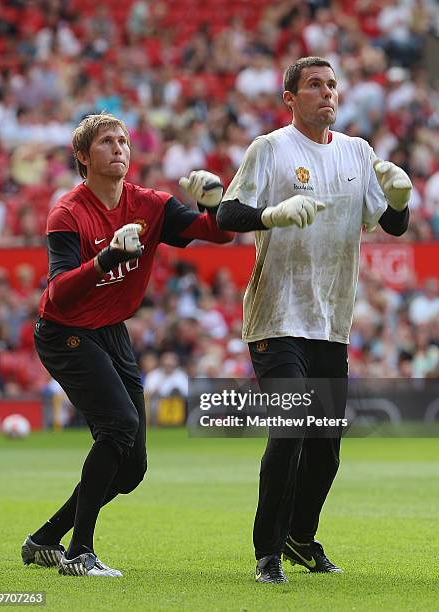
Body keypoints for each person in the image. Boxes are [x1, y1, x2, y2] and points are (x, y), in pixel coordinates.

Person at [217, 56, 411, 584]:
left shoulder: (358, 152)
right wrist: (270, 215)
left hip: (331, 322)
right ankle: (268, 552)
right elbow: (227, 213)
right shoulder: (270, 149)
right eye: (314, 85)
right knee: (289, 430)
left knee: (325, 451)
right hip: (276, 316)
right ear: (290, 98)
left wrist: (399, 199)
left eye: (332, 85)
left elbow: (391, 224)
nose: (327, 93)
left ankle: (302, 537)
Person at [21, 112, 233, 577]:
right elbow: (58, 291)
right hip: (64, 332)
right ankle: (80, 552)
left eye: (123, 141)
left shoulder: (150, 204)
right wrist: (107, 258)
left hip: (111, 331)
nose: (119, 148)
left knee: (132, 468)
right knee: (118, 426)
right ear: (82, 156)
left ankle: (44, 540)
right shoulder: (68, 212)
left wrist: (213, 203)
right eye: (106, 142)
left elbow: (217, 233)